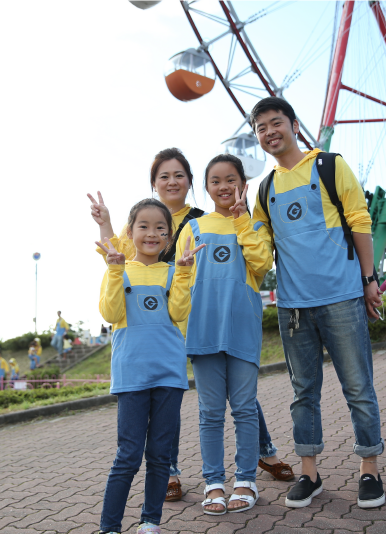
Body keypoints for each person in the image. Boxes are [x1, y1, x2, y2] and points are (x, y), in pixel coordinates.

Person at [88, 148, 293, 503]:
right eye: (164, 176)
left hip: (206, 317)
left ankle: (261, 455)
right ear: (153, 183)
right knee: (184, 402)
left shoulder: (200, 219)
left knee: (239, 399)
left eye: (179, 175)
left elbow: (257, 261)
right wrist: (105, 223)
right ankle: (173, 471)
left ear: (191, 182)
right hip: (170, 324)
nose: (172, 182)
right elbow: (118, 254)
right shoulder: (147, 219)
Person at [251, 96, 386, 509]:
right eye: (261, 128)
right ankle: (309, 473)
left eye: (276, 123)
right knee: (302, 393)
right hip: (293, 307)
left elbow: (359, 220)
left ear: (294, 125)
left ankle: (369, 469)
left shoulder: (329, 165)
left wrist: (369, 280)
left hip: (342, 297)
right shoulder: (264, 189)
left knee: (358, 387)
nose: (270, 132)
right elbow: (259, 250)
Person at [95, 198, 202, 534]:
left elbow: (179, 313)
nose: (152, 233)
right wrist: (115, 270)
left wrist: (183, 273)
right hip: (131, 375)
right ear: (130, 232)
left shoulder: (173, 272)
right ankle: (110, 527)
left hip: (169, 375)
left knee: (159, 455)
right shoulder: (119, 269)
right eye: (144, 226)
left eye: (160, 228)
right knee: (128, 455)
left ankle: (150, 522)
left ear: (169, 237)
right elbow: (110, 313)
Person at [175, 154, 275, 515]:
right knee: (210, 413)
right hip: (203, 330)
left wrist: (242, 221)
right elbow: (181, 280)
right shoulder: (193, 227)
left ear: (243, 185)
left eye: (230, 179)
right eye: (215, 181)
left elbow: (262, 264)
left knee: (245, 409)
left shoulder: (254, 224)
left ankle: (246, 480)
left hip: (242, 327)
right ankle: (214, 483)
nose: (223, 187)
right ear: (206, 187)